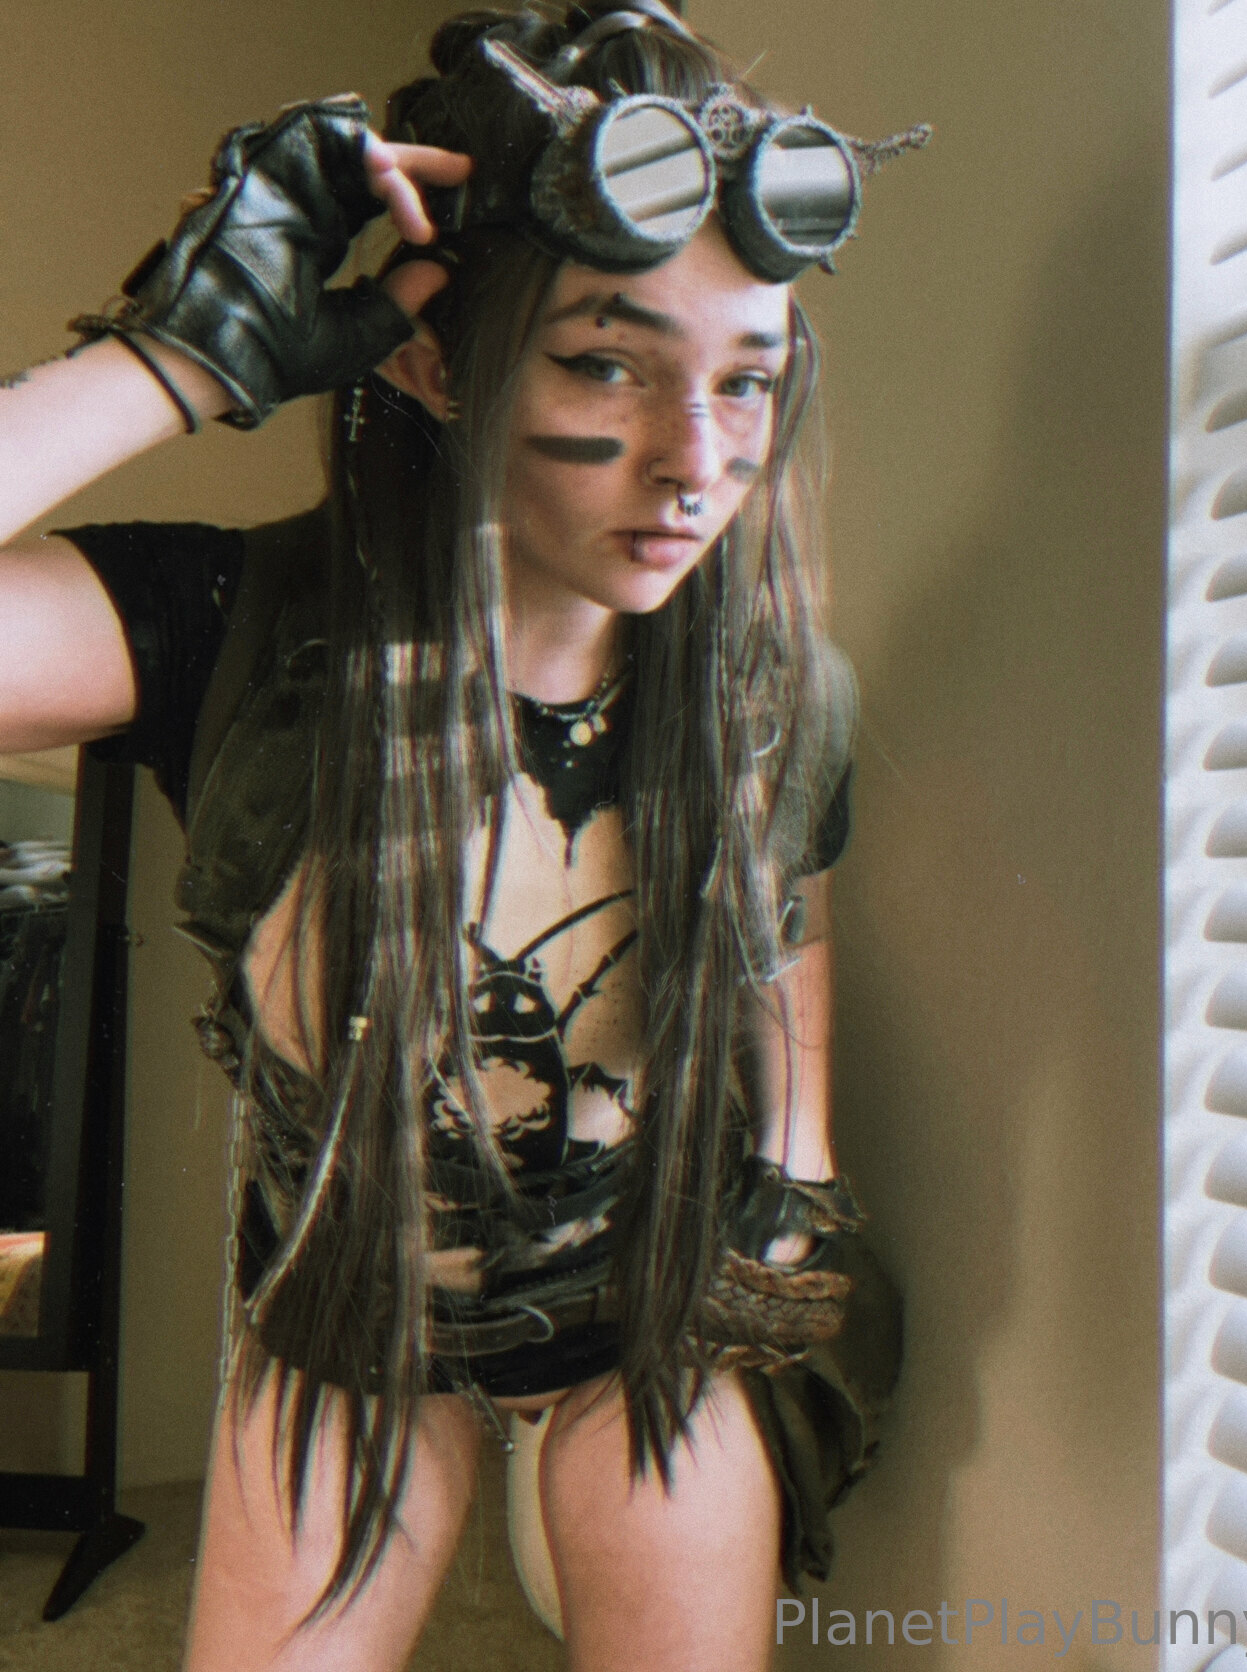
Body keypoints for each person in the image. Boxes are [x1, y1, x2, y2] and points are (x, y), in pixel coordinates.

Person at [0, 4, 921, 1667]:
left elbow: (785, 921)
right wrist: (179, 358)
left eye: (746, 379)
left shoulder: (775, 694)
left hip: (646, 1313)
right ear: (431, 360)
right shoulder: (232, 628)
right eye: (604, 363)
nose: (696, 462)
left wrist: (797, 1171)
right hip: (347, 1320)